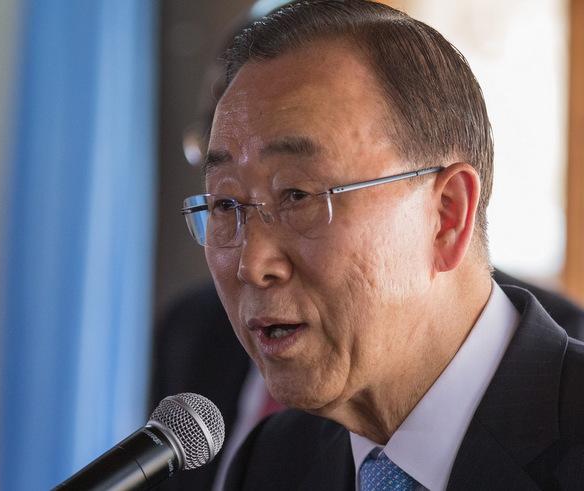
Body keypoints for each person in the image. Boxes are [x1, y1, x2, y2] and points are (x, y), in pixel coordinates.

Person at [175, 1, 584, 489]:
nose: (252, 262)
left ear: (446, 215)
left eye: (297, 195)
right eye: (225, 204)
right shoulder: (271, 465)